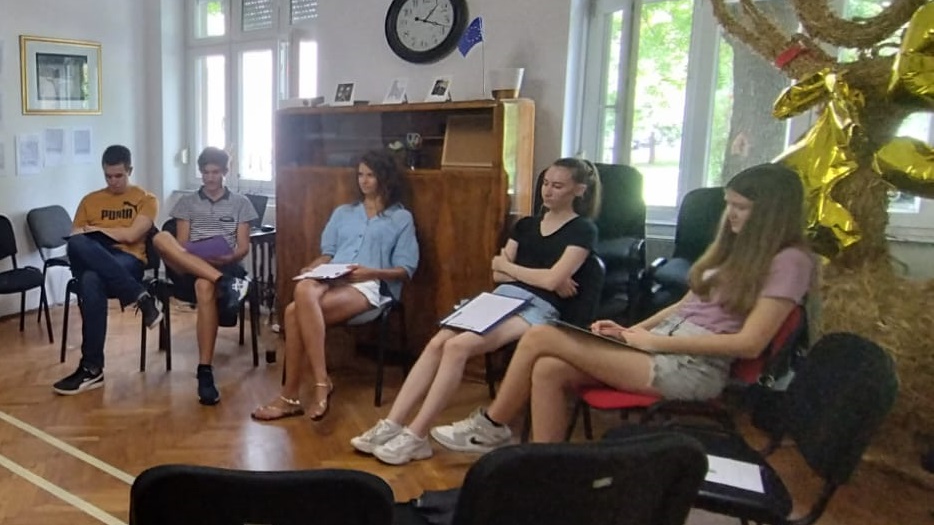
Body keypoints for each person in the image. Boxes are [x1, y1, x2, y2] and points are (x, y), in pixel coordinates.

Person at [429, 162, 815, 452]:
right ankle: (545, 465)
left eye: (741, 207)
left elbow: (749, 344)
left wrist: (653, 342)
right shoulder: (736, 249)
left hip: (692, 367)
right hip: (663, 346)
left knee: (541, 336)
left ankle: (492, 424)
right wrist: (632, 332)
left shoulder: (791, 261)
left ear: (771, 214)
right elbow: (685, 305)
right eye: (729, 205)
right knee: (547, 368)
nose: (730, 216)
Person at [350, 157, 600, 465]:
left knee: (458, 346)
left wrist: (515, 269)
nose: (548, 191)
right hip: (503, 296)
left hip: (541, 308)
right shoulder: (525, 225)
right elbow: (498, 273)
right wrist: (536, 275)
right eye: (546, 183)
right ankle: (393, 423)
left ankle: (416, 435)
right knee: (438, 341)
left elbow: (544, 279)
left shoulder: (582, 230)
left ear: (579, 190)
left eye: (558, 186)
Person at [251, 150, 419, 422]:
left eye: (371, 175)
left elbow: (406, 269)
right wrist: (313, 267)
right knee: (304, 287)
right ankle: (320, 382)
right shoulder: (344, 213)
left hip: (370, 285)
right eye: (360, 174)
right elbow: (328, 254)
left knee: (293, 313)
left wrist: (370, 271)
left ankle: (290, 396)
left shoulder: (401, 218)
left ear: (384, 178)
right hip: (333, 277)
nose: (364, 181)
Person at [53, 145, 161, 395]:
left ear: (130, 170)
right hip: (94, 257)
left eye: (119, 176)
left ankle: (91, 368)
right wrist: (100, 236)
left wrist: (99, 231)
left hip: (127, 259)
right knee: (77, 244)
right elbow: (77, 237)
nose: (113, 181)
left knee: (92, 280)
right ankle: (140, 297)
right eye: (108, 176)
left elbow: (132, 235)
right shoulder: (90, 200)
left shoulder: (146, 199)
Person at [153, 147, 257, 405]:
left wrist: (225, 258)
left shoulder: (241, 203)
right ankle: (227, 285)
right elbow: (182, 245)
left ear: (225, 172)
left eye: (215, 172)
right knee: (161, 237)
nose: (210, 178)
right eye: (206, 173)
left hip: (225, 264)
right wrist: (196, 257)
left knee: (204, 285)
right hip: (190, 263)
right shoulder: (187, 203)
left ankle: (205, 371)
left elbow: (243, 247)